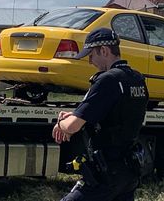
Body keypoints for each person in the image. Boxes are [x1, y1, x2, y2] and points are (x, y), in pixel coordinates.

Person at [52, 28, 149, 201]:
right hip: (129, 170)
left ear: (104, 50)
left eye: (91, 55)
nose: (90, 61)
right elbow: (116, 114)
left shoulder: (107, 80)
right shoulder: (137, 79)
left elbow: (72, 126)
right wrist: (77, 115)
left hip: (106, 172)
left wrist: (60, 123)